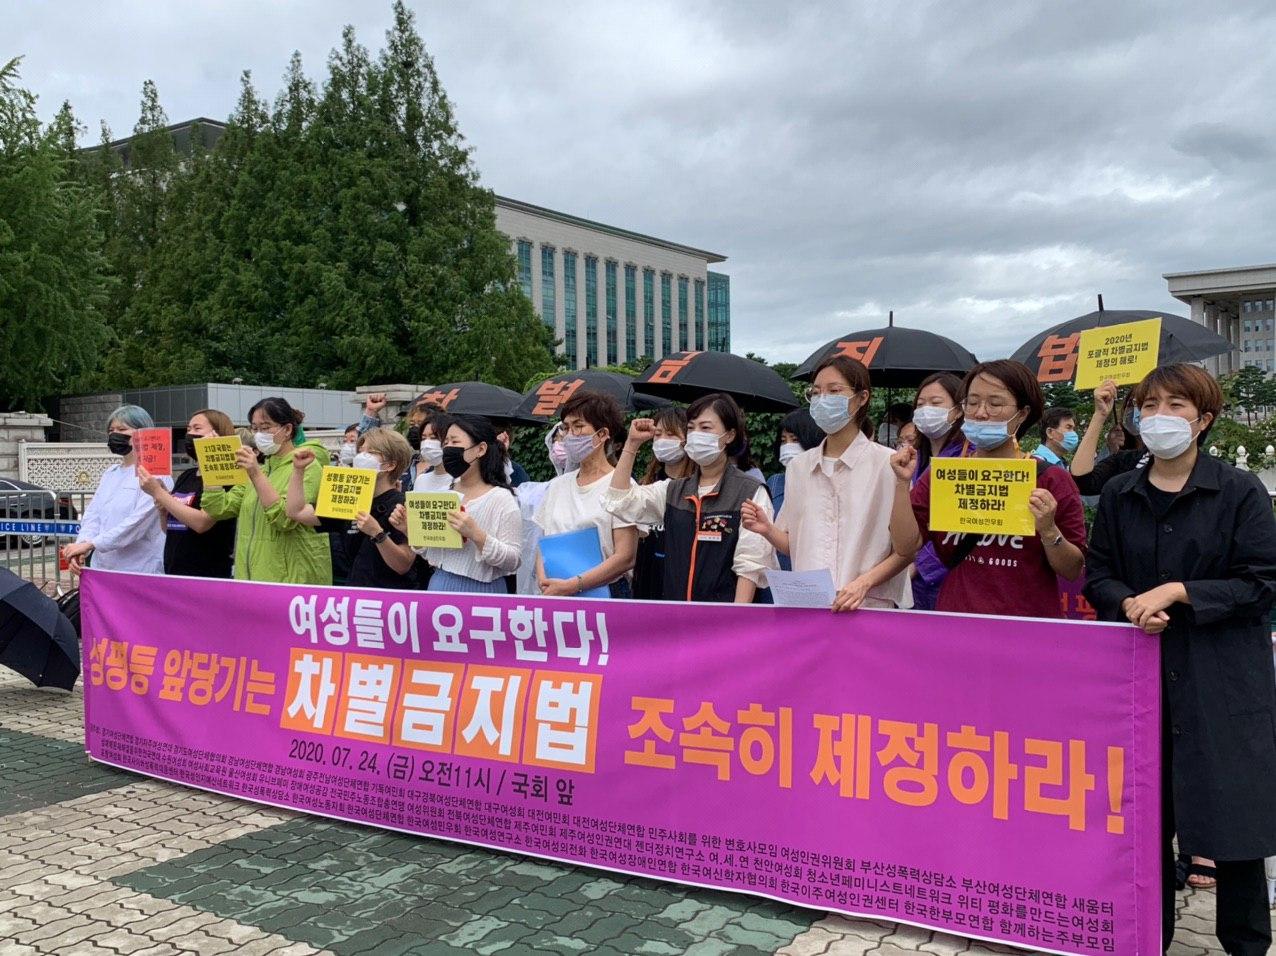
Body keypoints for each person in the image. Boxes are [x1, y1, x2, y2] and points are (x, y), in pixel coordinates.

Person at [1084, 363, 1276, 956]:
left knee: (1234, 814)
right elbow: (1099, 574)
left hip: (1222, 675)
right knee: (1145, 817)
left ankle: (1245, 942)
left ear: (1203, 420)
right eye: (1149, 405)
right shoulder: (1121, 494)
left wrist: (1181, 592)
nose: (1159, 417)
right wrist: (1129, 603)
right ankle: (1148, 938)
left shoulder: (1239, 490)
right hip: (1140, 676)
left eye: (1175, 406)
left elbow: (1263, 582)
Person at [910, 360, 1086, 618]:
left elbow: (1072, 570)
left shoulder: (1052, 480)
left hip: (1028, 627)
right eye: (972, 403)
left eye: (995, 404)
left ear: (1023, 413)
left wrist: (1049, 530)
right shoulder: (943, 476)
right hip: (957, 621)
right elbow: (905, 544)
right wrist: (900, 484)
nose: (981, 413)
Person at [742, 357, 920, 611]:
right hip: (810, 608)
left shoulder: (888, 464)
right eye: (816, 393)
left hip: (867, 608)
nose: (822, 399)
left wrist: (864, 582)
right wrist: (767, 529)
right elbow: (796, 546)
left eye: (834, 391)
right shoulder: (799, 467)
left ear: (862, 398)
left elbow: (906, 550)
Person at [605, 392, 775, 603]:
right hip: (677, 613)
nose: (696, 435)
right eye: (691, 428)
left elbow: (751, 565)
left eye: (706, 428)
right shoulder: (674, 490)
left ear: (730, 435)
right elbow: (620, 502)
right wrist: (631, 445)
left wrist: (736, 615)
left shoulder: (749, 491)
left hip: (724, 616)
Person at [200, 397, 332, 584]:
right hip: (250, 578)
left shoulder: (307, 466)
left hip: (289, 580)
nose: (259, 434)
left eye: (265, 427)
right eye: (255, 428)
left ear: (287, 429)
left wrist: (255, 473)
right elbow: (218, 509)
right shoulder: (261, 469)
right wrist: (210, 461)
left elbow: (285, 519)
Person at [389, 415, 522, 593]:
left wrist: (476, 535)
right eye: (446, 443)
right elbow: (431, 552)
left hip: (483, 593)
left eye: (455, 441)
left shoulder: (502, 498)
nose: (448, 449)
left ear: (481, 449)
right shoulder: (446, 492)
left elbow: (513, 561)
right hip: (440, 584)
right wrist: (409, 530)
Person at [534, 391, 638, 597]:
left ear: (602, 434)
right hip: (555, 591)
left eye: (578, 426)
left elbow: (625, 556)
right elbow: (543, 541)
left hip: (605, 593)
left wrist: (574, 585)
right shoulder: (557, 486)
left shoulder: (622, 485)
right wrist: (544, 580)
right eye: (566, 428)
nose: (570, 435)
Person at [284, 428, 417, 589]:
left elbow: (403, 564)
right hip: (354, 592)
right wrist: (298, 470)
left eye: (371, 452)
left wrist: (377, 533)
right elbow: (296, 511)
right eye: (361, 451)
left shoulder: (403, 505)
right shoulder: (349, 498)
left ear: (390, 465)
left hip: (391, 596)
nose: (362, 457)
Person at [64, 405, 170, 576]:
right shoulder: (111, 473)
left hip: (140, 569)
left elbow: (136, 524)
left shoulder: (156, 476)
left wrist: (92, 544)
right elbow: (93, 515)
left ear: (143, 432)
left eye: (122, 429)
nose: (115, 434)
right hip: (102, 568)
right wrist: (82, 544)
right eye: (111, 430)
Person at [136, 408, 237, 578]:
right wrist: (163, 509)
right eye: (189, 429)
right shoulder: (187, 475)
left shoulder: (226, 477)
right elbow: (170, 529)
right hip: (175, 571)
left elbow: (202, 523)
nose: (190, 434)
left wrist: (159, 493)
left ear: (218, 434)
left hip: (207, 573)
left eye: (197, 429)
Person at [908, 373, 966, 611]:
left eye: (935, 403)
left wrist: (917, 566)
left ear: (958, 410)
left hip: (945, 577)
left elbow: (959, 527)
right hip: (907, 571)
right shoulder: (913, 457)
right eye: (920, 404)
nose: (926, 411)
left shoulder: (968, 458)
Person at [632, 406, 694, 599]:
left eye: (670, 434)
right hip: (647, 581)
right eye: (657, 434)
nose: (662, 440)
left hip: (680, 583)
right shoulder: (647, 485)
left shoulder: (696, 487)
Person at [1071, 378, 1149, 497]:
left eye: (1174, 404)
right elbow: (1082, 481)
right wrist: (1099, 415)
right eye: (1133, 404)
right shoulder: (1126, 461)